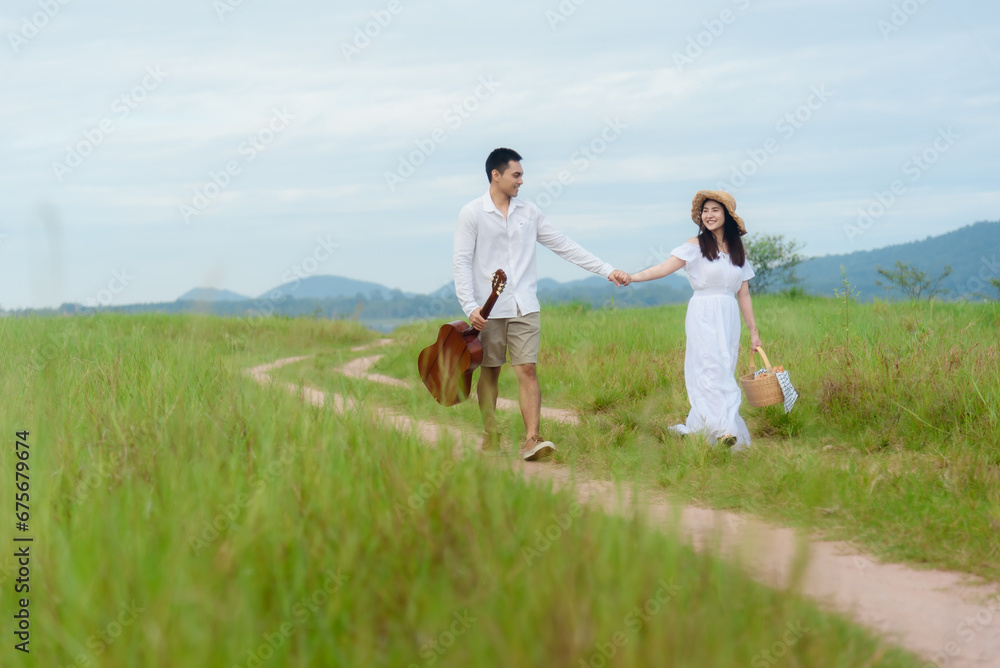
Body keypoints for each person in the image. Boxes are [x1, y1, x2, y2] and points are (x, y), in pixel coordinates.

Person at [454, 147, 627, 461]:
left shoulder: (530, 212)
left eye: (521, 175)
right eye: (516, 175)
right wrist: (470, 306)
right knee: (490, 371)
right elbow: (461, 261)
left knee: (528, 369)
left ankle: (532, 438)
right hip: (488, 310)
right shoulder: (472, 213)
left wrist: (606, 269)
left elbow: (564, 245)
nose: (521, 181)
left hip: (525, 306)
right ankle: (490, 431)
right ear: (496, 175)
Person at [610, 190, 762, 450]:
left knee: (724, 368)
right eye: (705, 211)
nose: (709, 215)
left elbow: (744, 294)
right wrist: (632, 277)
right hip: (703, 312)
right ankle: (724, 429)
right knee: (709, 367)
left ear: (727, 215)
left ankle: (707, 429)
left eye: (715, 210)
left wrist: (754, 332)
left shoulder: (738, 251)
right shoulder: (696, 245)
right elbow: (664, 268)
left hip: (728, 315)